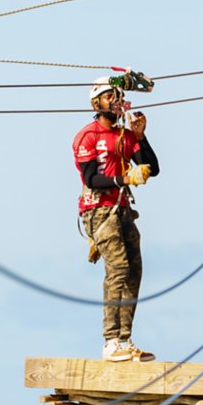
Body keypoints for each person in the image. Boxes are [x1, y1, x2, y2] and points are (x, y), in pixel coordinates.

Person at [74, 78, 160, 361]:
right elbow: (90, 178)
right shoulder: (88, 136)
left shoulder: (125, 136)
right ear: (96, 103)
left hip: (123, 208)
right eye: (109, 96)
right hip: (99, 210)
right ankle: (111, 339)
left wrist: (141, 136)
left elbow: (153, 168)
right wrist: (124, 178)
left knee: (135, 271)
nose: (115, 100)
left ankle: (125, 339)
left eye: (117, 96)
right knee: (119, 269)